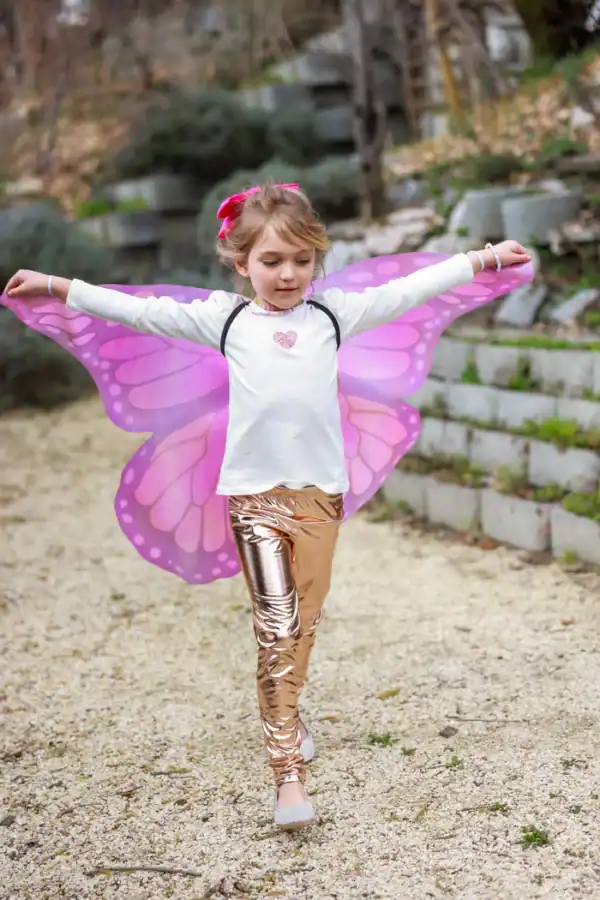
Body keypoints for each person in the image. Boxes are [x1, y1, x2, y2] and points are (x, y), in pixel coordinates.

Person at [4, 183, 531, 831]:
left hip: (320, 500)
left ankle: (292, 710)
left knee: (305, 624)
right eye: (272, 261)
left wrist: (482, 258)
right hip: (254, 501)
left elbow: (410, 289)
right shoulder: (225, 320)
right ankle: (287, 777)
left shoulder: (334, 316)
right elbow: (140, 312)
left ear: (316, 261)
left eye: (301, 261)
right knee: (276, 629)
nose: (287, 275)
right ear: (241, 262)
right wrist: (59, 285)